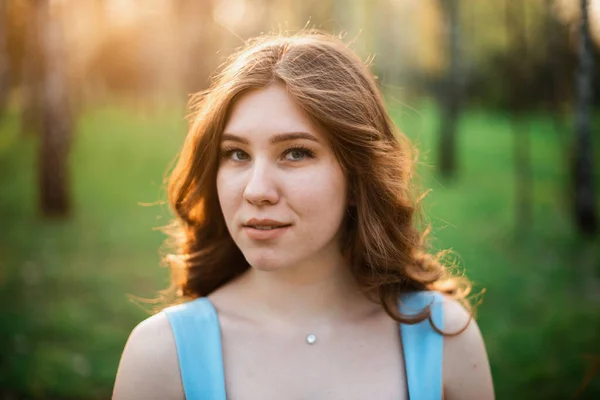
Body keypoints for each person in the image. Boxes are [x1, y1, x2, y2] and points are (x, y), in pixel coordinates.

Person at [112, 32, 494, 400]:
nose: (256, 190)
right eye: (237, 154)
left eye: (296, 152)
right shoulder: (160, 357)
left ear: (359, 174)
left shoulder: (444, 339)